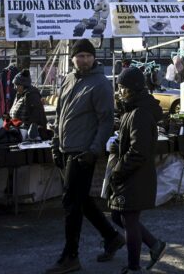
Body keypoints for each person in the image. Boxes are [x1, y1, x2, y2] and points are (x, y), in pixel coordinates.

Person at [46, 39, 125, 274]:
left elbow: (106, 121)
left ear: (94, 58)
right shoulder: (69, 79)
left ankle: (71, 256)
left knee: (71, 202)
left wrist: (93, 150)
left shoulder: (100, 84)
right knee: (79, 198)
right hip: (66, 148)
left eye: (88, 56)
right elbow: (60, 114)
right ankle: (111, 237)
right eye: (80, 55)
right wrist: (56, 142)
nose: (84, 60)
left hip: (83, 152)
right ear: (73, 58)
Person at [108, 68, 167, 273]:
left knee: (129, 219)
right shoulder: (132, 109)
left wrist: (118, 169)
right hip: (132, 172)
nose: (119, 91)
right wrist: (117, 146)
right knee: (118, 216)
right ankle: (154, 245)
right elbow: (131, 143)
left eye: (122, 87)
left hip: (135, 174)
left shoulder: (139, 113)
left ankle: (134, 267)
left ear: (131, 89)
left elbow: (138, 151)